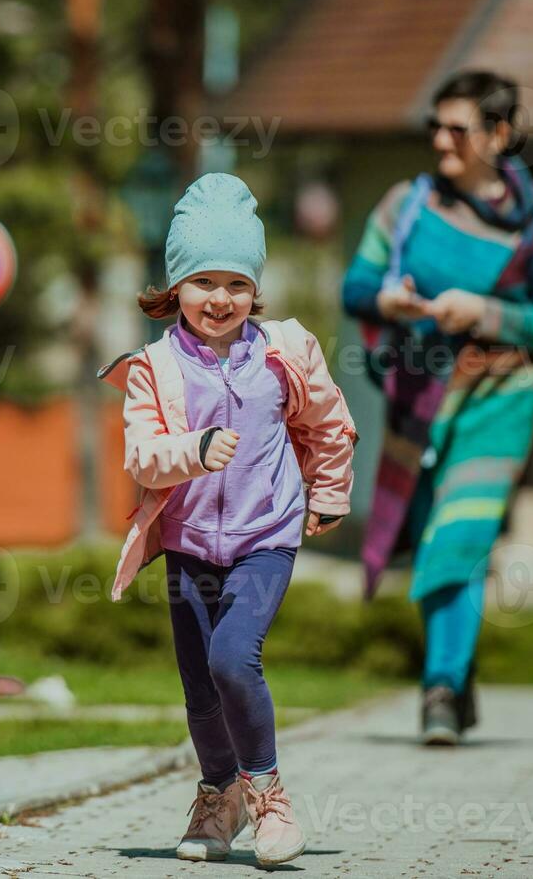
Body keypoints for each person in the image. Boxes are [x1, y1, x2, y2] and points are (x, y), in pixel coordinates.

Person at [97, 172, 357, 866]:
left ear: (255, 290)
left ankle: (269, 799)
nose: (220, 299)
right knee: (198, 686)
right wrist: (195, 451)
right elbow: (143, 459)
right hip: (187, 544)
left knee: (231, 659)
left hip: (264, 536)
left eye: (236, 284)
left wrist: (329, 492)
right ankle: (218, 796)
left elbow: (329, 424)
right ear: (175, 287)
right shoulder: (153, 368)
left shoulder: (284, 353)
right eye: (204, 282)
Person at [341, 71, 533, 745]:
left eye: (458, 128)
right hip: (417, 399)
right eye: (434, 127)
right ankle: (456, 672)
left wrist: (485, 312)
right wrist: (386, 301)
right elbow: (356, 285)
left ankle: (439, 688)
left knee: (459, 535)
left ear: (499, 136)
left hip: (497, 402)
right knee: (433, 539)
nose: (440, 140)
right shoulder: (404, 205)